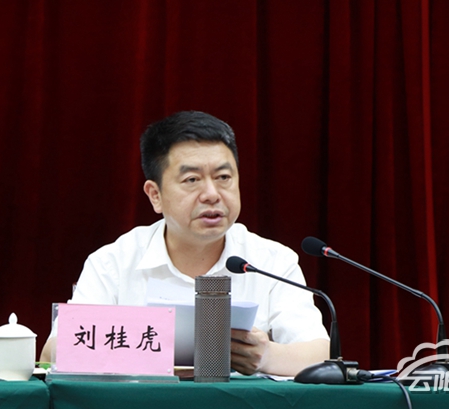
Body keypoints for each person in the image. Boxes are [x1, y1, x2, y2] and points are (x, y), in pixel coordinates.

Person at [40, 111, 329, 376]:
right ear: (155, 195)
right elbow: (53, 353)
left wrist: (265, 356)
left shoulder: (271, 261)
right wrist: (145, 349)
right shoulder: (113, 263)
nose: (212, 194)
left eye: (223, 177)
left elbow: (320, 355)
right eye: (192, 180)